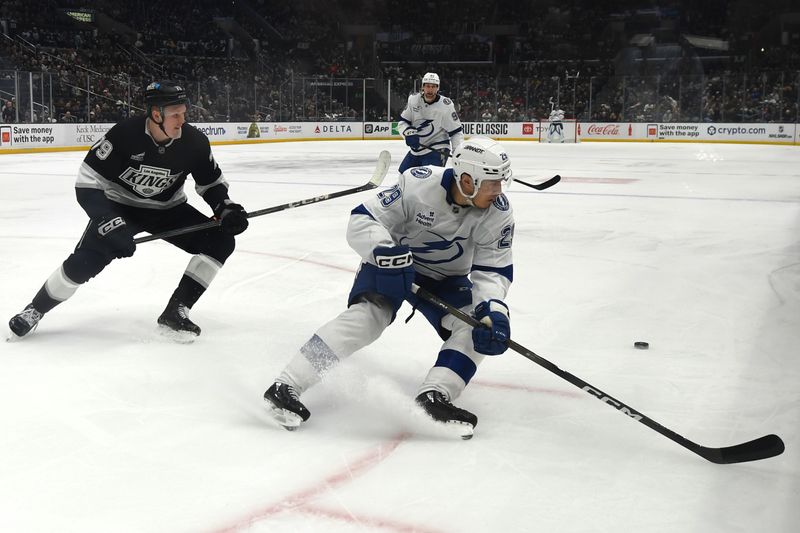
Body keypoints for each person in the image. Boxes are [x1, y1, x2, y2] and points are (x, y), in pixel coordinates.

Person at [263, 136, 514, 439]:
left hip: (447, 279)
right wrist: (383, 252)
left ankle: (434, 396)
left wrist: (493, 311)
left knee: (476, 328)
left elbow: (493, 271)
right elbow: (362, 219)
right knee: (367, 318)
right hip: (394, 266)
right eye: (492, 182)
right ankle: (286, 384)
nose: (499, 190)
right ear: (467, 180)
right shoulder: (417, 183)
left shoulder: (498, 213)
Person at [8, 81, 249, 340]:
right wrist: (109, 221)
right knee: (82, 264)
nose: (182, 120)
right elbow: (87, 184)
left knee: (221, 241)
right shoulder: (123, 135)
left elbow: (211, 183)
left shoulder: (195, 142)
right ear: (156, 115)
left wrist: (224, 208)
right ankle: (35, 309)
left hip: (168, 210)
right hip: (119, 208)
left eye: (184, 113)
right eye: (175, 114)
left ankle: (175, 311)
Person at [397, 72, 464, 173]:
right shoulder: (413, 100)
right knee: (403, 176)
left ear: (438, 88)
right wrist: (407, 133)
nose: (430, 90)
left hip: (438, 148)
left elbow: (456, 131)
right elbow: (402, 122)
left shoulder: (446, 105)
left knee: (427, 179)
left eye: (433, 87)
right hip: (416, 150)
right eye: (427, 86)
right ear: (423, 87)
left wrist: (457, 152)